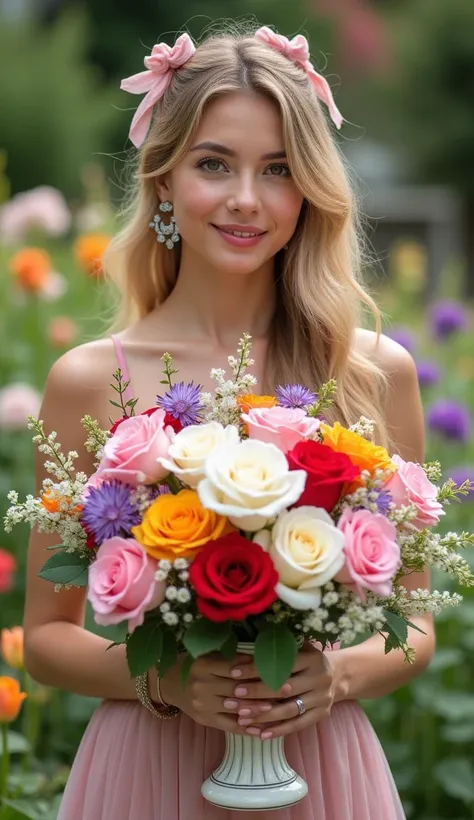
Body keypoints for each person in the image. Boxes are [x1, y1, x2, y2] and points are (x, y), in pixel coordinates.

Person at [23, 23, 435, 820]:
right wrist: (163, 680)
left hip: (320, 762)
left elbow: (416, 623)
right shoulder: (87, 380)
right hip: (146, 764)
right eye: (215, 163)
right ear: (166, 178)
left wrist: (338, 674)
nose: (248, 198)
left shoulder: (375, 374)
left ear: (310, 188)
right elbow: (45, 638)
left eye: (279, 169)